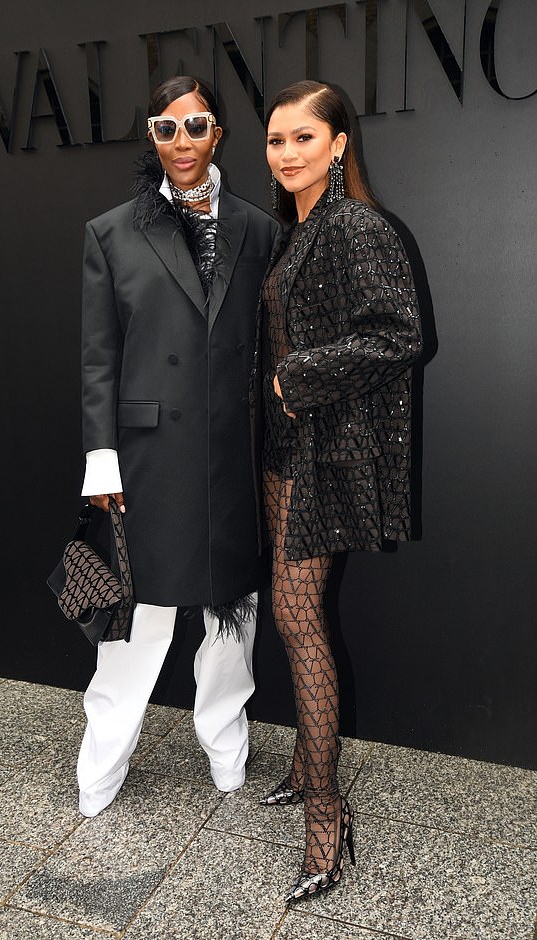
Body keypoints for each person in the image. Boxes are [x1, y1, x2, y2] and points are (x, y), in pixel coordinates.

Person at [77, 76, 280, 818]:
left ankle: (225, 741)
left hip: (232, 447)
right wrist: (100, 457)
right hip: (147, 457)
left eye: (196, 125)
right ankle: (102, 762)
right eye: (166, 127)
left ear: (218, 132)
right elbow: (99, 358)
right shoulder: (111, 232)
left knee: (233, 612)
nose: (183, 142)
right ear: (153, 137)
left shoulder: (259, 228)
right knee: (140, 618)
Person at [255, 81, 422, 901]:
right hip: (284, 453)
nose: (286, 153)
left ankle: (327, 817)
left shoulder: (357, 224)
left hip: (321, 453)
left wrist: (298, 376)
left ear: (340, 143)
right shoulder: (298, 228)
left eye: (302, 138)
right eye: (275, 140)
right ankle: (300, 765)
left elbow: (400, 335)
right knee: (295, 617)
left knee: (296, 618)